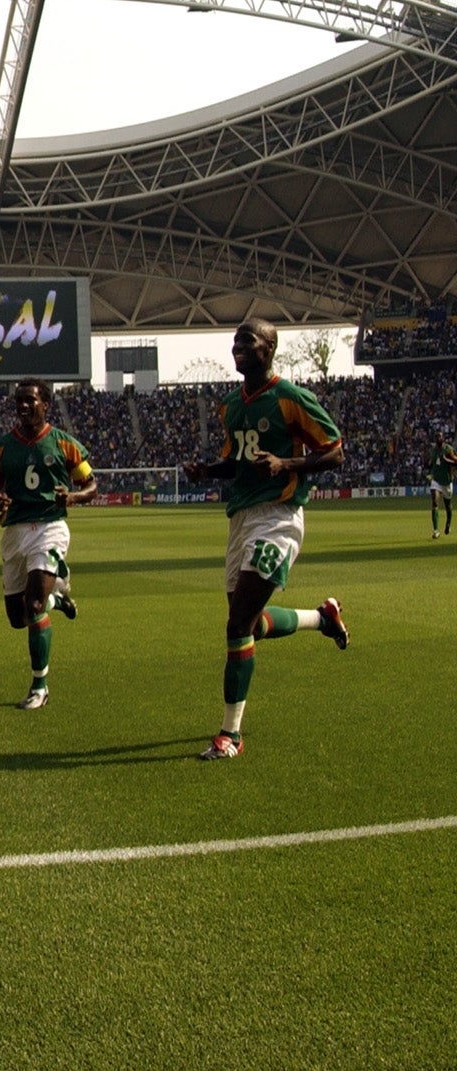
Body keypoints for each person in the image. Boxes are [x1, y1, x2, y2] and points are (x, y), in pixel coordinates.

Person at [181, 320, 347, 761]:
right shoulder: (231, 406)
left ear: (269, 348)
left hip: (279, 515)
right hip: (240, 517)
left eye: (247, 341)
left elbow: (334, 451)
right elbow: (235, 463)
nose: (238, 347)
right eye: (235, 341)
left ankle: (230, 735)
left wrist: (286, 464)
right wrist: (205, 472)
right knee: (248, 624)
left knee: (237, 625)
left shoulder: (291, 398)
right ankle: (322, 618)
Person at [0, 380, 93, 710]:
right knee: (18, 617)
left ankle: (39, 686)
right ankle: (58, 597)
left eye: (30, 400)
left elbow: (91, 484)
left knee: (33, 607)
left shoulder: (63, 444)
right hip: (14, 531)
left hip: (49, 527)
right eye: (19, 401)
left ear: (46, 404)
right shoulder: (2, 448)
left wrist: (73, 496)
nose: (23, 405)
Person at [429, 429, 457, 537]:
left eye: (440, 436)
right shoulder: (433, 451)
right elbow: (431, 463)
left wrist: (446, 459)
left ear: (443, 438)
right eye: (436, 437)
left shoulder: (448, 449)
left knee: (448, 506)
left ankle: (448, 525)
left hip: (447, 481)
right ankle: (436, 530)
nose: (438, 438)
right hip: (436, 481)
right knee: (435, 502)